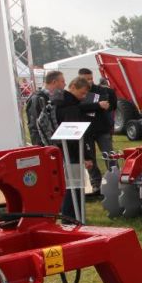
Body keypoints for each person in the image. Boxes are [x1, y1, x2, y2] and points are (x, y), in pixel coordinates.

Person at [53, 76, 96, 219]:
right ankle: (71, 217)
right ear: (73, 87)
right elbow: (75, 135)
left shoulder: (61, 103)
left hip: (64, 149)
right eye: (82, 93)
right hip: (72, 151)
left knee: (73, 185)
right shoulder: (71, 108)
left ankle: (72, 215)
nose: (83, 97)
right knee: (75, 186)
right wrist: (85, 156)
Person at [78, 68, 115, 192]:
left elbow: (109, 106)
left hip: (102, 129)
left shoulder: (101, 90)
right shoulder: (77, 93)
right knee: (90, 158)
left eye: (90, 78)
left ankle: (114, 180)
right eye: (86, 79)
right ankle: (96, 184)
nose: (89, 81)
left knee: (109, 155)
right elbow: (79, 108)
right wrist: (97, 106)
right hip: (86, 130)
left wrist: (104, 107)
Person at [25, 70, 65, 145]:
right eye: (62, 81)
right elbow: (37, 125)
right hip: (44, 145)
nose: (65, 84)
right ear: (54, 82)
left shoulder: (52, 97)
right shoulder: (38, 99)